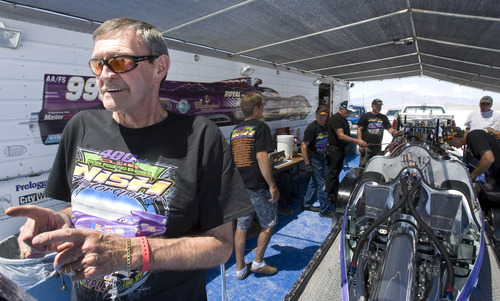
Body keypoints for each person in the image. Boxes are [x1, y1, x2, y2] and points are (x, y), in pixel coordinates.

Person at [6, 17, 253, 300]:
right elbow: (78, 209)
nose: (105, 75)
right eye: (98, 64)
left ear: (159, 68)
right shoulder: (82, 125)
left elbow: (220, 246)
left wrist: (132, 253)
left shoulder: (200, 137)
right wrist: (59, 220)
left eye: (120, 62)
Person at [230, 92, 280, 280]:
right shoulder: (261, 127)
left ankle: (240, 268)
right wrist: (272, 185)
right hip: (258, 186)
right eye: (262, 107)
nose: (263, 110)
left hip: (240, 186)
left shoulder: (236, 131)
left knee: (241, 227)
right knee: (268, 224)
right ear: (256, 108)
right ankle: (258, 262)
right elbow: (261, 157)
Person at [326, 101, 368, 208]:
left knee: (337, 172)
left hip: (340, 149)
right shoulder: (336, 119)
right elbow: (340, 135)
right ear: (342, 109)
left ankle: (335, 192)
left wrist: (345, 148)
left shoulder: (343, 119)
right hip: (334, 150)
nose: (349, 113)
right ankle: (329, 196)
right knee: (332, 173)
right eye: (348, 111)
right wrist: (357, 141)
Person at [442, 126, 500, 190]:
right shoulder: (474, 137)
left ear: (453, 139)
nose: (450, 145)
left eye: (448, 143)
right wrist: (492, 178)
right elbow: (496, 155)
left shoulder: (473, 137)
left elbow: (488, 159)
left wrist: (471, 177)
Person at [301, 106, 332, 217]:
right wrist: (307, 164)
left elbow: (325, 141)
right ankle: (324, 210)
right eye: (319, 115)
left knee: (314, 182)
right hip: (314, 159)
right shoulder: (312, 128)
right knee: (322, 184)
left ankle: (307, 203)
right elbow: (304, 146)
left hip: (323, 157)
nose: (321, 117)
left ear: (326, 116)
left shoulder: (326, 127)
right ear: (316, 115)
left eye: (323, 115)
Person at [357, 99, 399, 167]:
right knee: (363, 166)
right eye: (377, 105)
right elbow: (359, 130)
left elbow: (389, 128)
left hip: (377, 147)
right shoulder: (365, 116)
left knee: (376, 166)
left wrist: (396, 133)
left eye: (380, 106)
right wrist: (360, 142)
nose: (379, 107)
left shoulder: (383, 117)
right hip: (366, 146)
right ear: (372, 106)